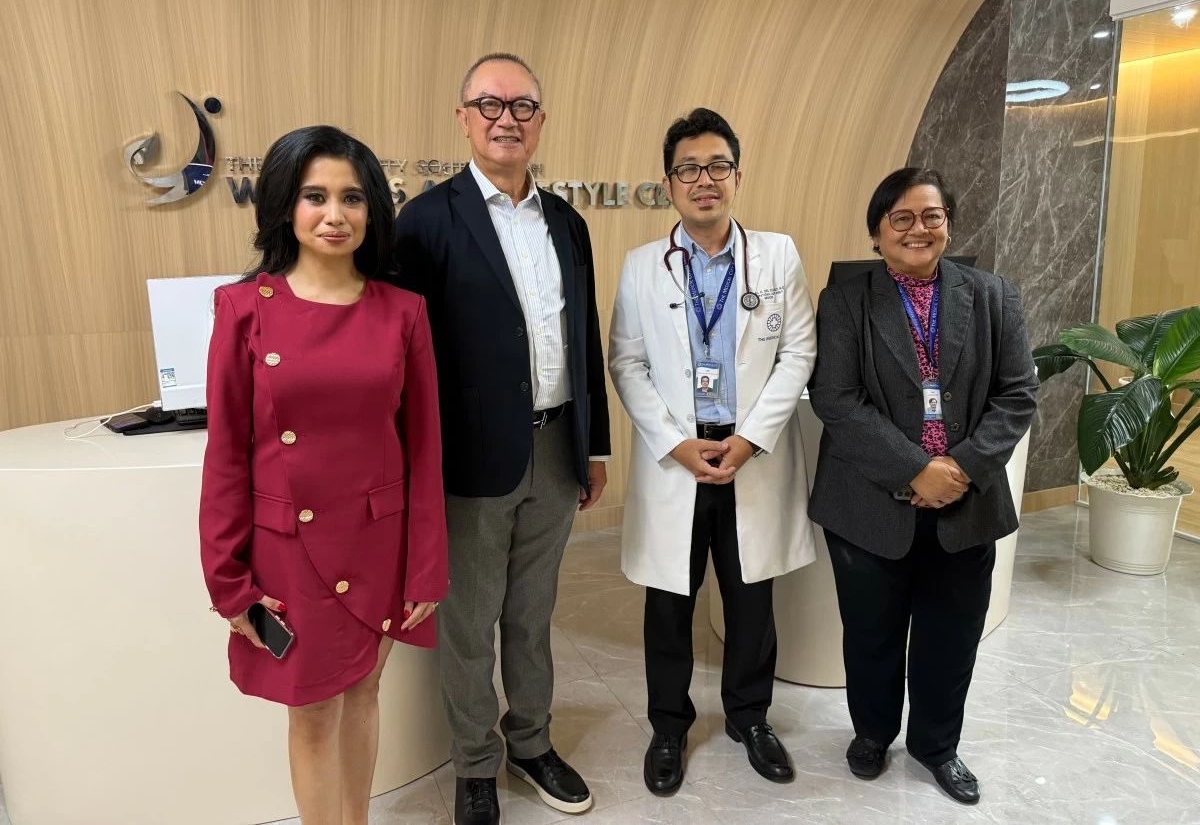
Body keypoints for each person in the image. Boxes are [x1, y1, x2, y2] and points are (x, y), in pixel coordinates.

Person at [199, 126, 448, 825]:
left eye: (352, 198)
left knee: (364, 693)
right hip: (287, 552)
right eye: (315, 197)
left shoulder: (403, 312)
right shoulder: (243, 309)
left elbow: (424, 448)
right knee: (310, 713)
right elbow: (225, 457)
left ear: (372, 211)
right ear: (285, 205)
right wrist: (228, 584)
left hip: (379, 543)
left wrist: (427, 568)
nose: (335, 215)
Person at [394, 53, 611, 825]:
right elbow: (404, 356)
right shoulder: (425, 222)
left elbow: (581, 337)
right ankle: (475, 763)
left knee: (532, 612)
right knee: (469, 620)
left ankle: (531, 743)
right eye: (489, 104)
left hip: (555, 448)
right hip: (469, 458)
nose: (506, 118)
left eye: (521, 106)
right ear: (463, 119)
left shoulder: (568, 223)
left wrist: (593, 446)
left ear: (540, 121)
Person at [807, 167, 1038, 804]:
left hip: (967, 502)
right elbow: (836, 398)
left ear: (948, 226)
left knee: (952, 636)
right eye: (901, 218)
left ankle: (937, 747)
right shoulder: (845, 300)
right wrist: (915, 468)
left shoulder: (993, 296)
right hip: (868, 500)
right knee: (871, 633)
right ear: (877, 232)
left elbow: (1018, 394)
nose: (918, 229)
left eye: (932, 216)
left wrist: (958, 468)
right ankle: (872, 734)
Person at [608, 108, 817, 796]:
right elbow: (626, 362)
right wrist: (675, 443)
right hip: (679, 456)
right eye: (689, 169)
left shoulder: (777, 255)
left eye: (717, 166)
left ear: (737, 175)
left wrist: (751, 439)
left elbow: (799, 352)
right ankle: (669, 725)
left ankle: (750, 717)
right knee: (670, 599)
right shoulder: (642, 267)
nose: (705, 180)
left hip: (749, 450)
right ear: (669, 184)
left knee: (751, 597)